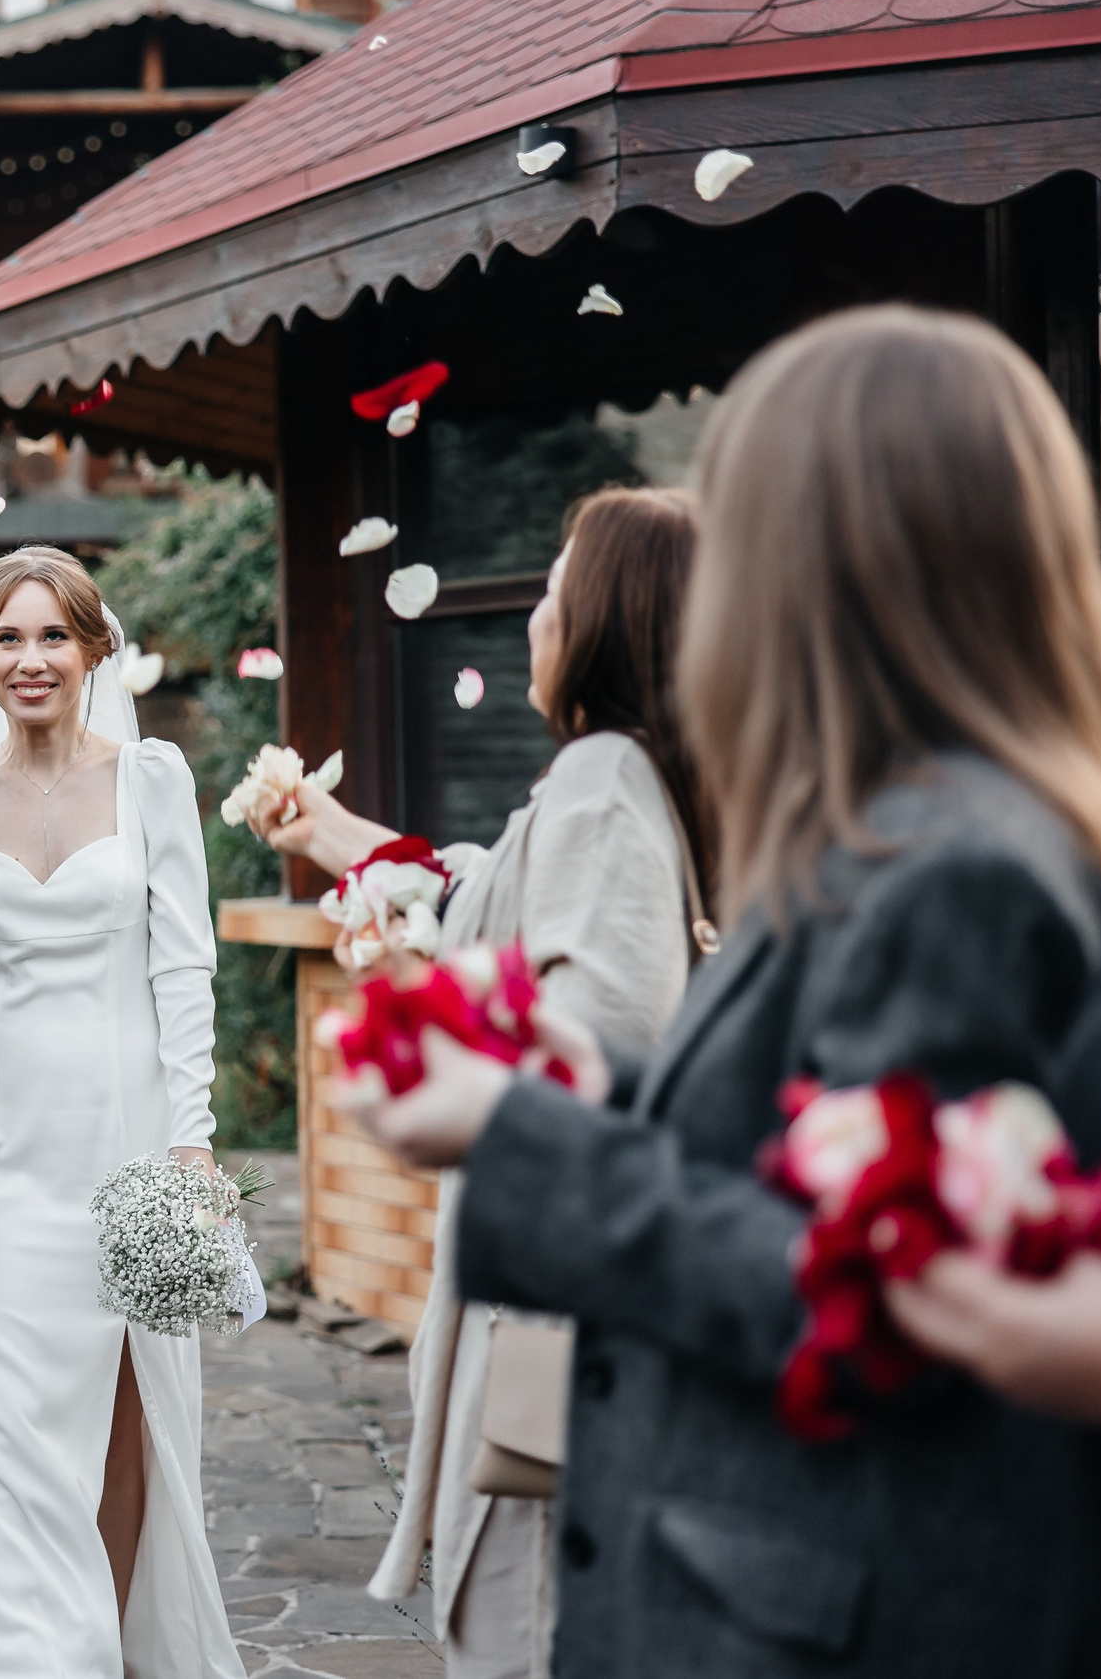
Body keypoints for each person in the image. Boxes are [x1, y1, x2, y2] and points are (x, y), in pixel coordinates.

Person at [345, 305, 1101, 1678]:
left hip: (810, 1609)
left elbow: (881, 1284)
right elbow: (822, 1135)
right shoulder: (917, 824)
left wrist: (516, 1132)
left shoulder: (952, 869)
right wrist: (605, 1082)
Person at [265, 488, 709, 1678]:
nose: (532, 617)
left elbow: (600, 1038)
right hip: (552, 1285)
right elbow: (475, 900)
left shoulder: (603, 779)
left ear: (606, 618)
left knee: (524, 1624)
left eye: (554, 590)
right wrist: (332, 836)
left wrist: (428, 1028)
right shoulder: (631, 775)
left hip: (550, 1308)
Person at [0, 545, 239, 1676]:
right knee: (4, 1449)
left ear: (95, 651)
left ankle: (110, 1650)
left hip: (126, 1154)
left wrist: (190, 1141)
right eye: (8, 637)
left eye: (53, 636)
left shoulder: (151, 781)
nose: (31, 659)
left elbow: (183, 967)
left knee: (125, 1429)